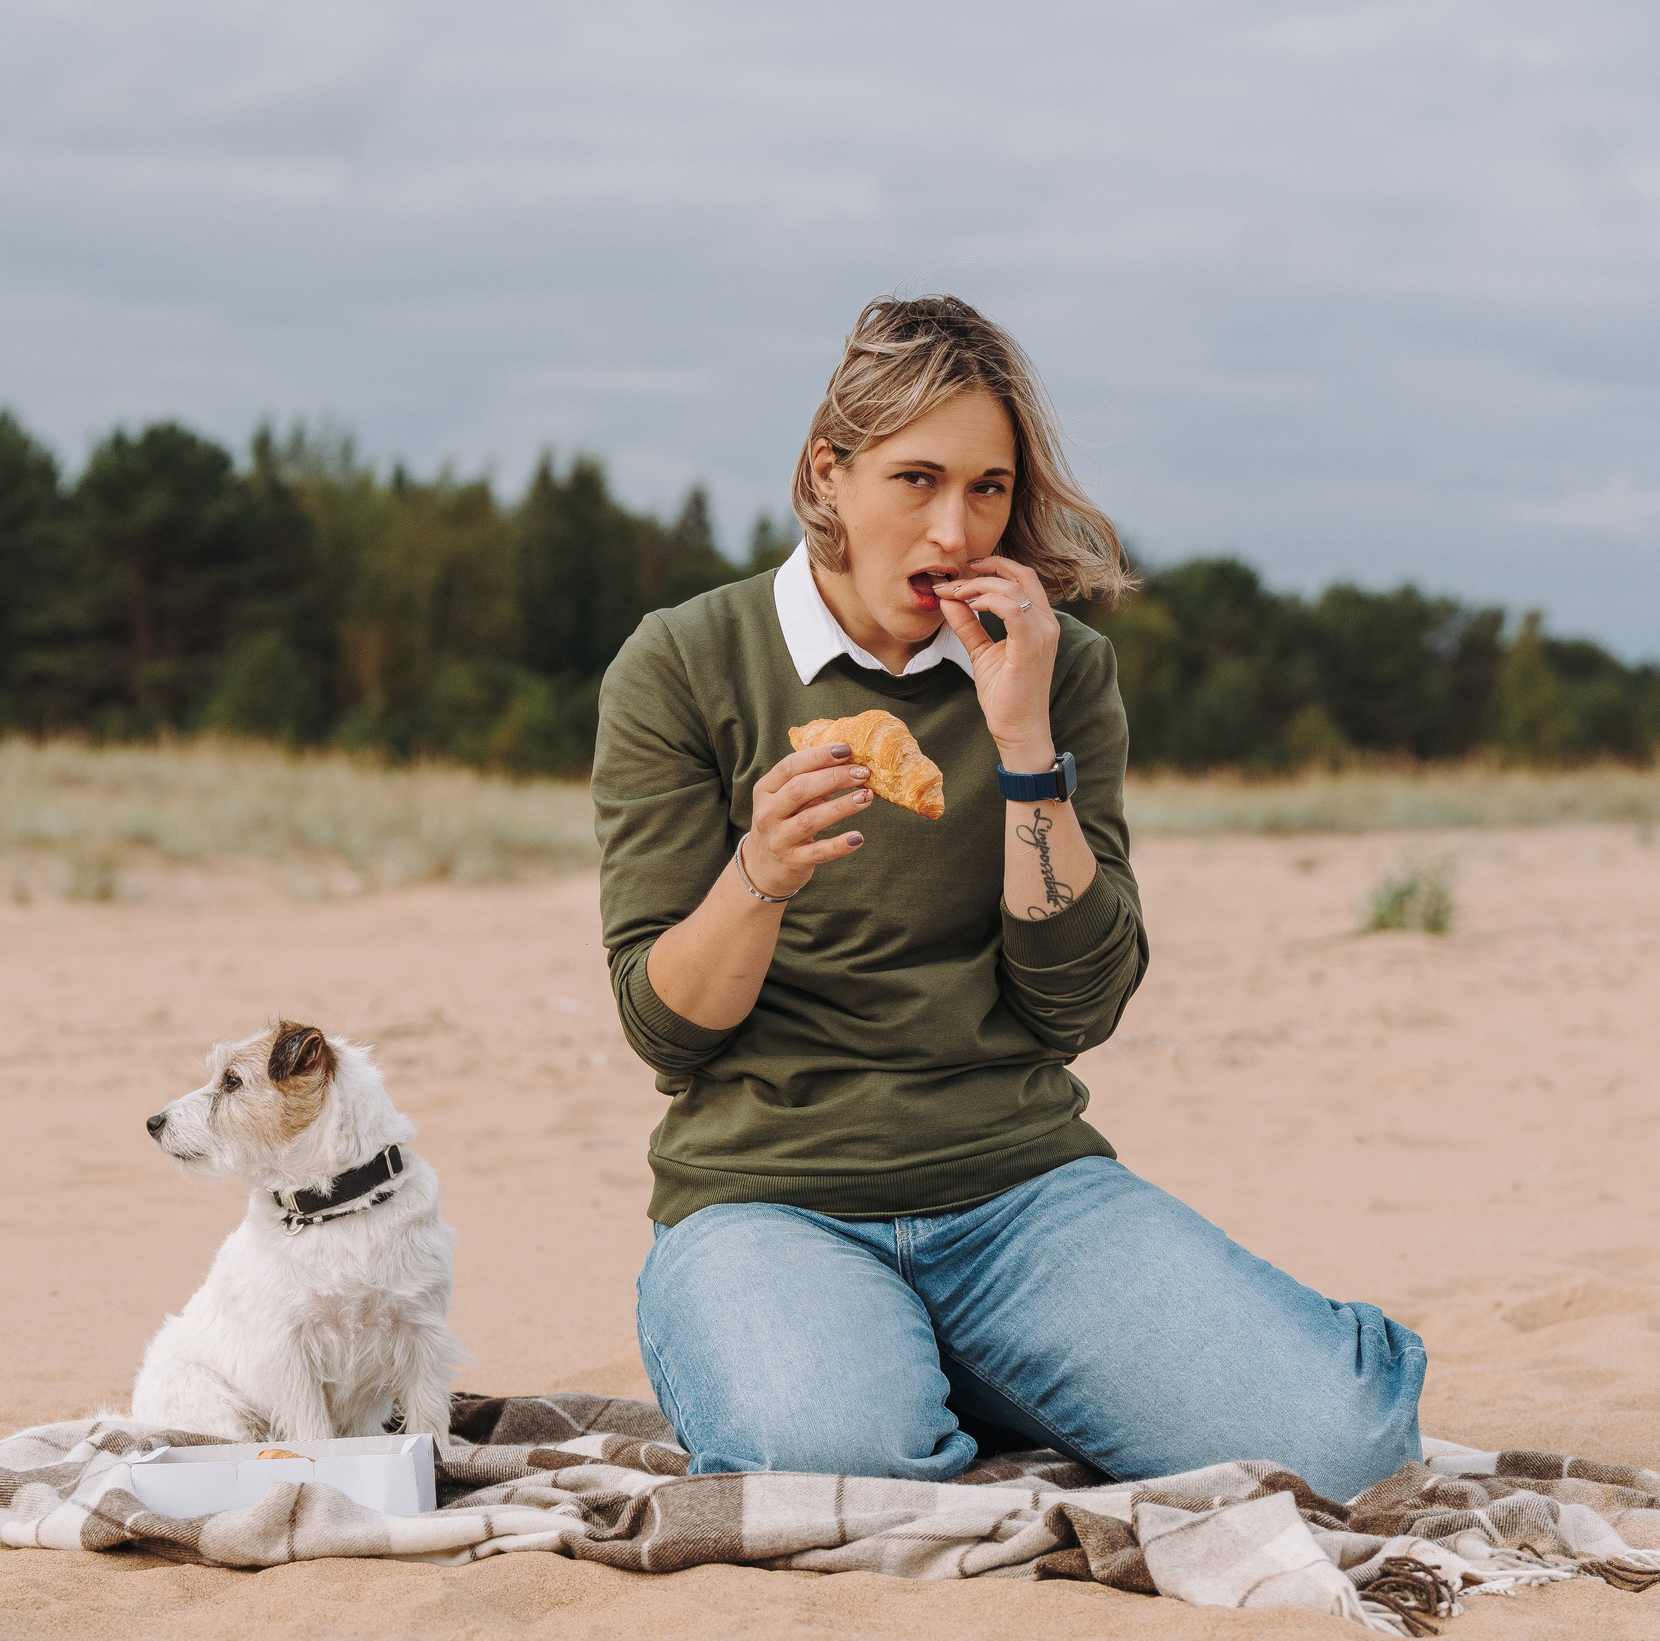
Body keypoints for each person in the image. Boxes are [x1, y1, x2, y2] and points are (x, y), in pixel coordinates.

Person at [590, 294, 1426, 1502]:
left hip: (1019, 1189)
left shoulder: (1057, 665)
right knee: (837, 1469)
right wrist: (757, 872)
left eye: (987, 489)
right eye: (915, 479)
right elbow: (667, 1026)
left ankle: (970, 1354)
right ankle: (897, 1356)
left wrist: (1024, 741)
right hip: (766, 1196)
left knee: (1345, 1454)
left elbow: (1075, 1003)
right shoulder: (681, 664)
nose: (952, 527)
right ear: (830, 473)